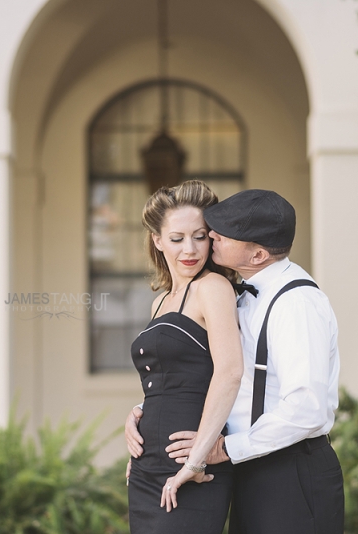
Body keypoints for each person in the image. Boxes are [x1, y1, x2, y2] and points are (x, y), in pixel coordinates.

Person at [125, 189, 344, 534]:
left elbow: (307, 407)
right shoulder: (240, 294)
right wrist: (147, 410)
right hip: (244, 464)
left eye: (220, 234)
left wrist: (227, 447)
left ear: (257, 254)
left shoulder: (297, 303)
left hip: (290, 471)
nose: (210, 236)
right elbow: (206, 367)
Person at [126, 180, 243, 534]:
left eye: (200, 236)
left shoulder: (213, 288)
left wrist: (195, 460)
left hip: (191, 467)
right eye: (177, 239)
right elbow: (169, 378)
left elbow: (230, 372)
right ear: (158, 241)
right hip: (145, 467)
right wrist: (137, 415)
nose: (189, 249)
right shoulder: (160, 300)